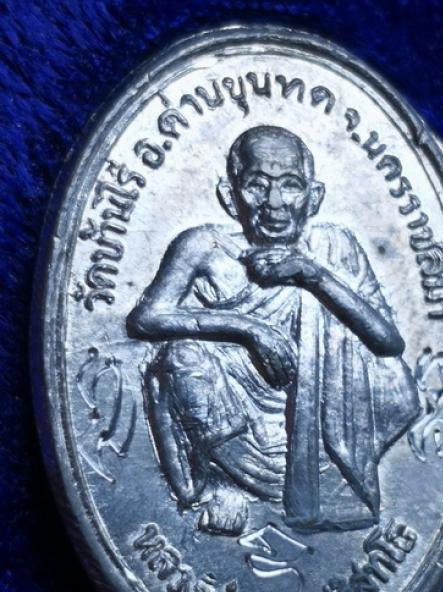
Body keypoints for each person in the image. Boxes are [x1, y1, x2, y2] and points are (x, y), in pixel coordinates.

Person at [127, 125, 420, 535]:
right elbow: (146, 318)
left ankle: (325, 480)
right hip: (233, 419)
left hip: (321, 426)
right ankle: (222, 483)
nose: (275, 203)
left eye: (291, 185)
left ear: (314, 197)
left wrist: (313, 276)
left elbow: (387, 343)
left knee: (384, 367)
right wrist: (247, 328)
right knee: (180, 357)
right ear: (229, 196)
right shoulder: (204, 246)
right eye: (257, 186)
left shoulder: (335, 247)